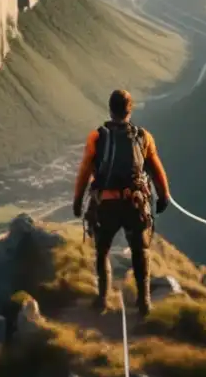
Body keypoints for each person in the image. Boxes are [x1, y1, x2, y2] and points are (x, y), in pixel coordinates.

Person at [73, 89, 171, 317]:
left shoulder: (97, 137)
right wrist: (163, 195)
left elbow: (85, 172)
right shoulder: (143, 137)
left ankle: (102, 299)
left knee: (102, 251)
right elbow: (156, 169)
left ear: (110, 108)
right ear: (130, 109)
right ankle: (144, 301)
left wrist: (78, 201)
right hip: (134, 205)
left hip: (105, 204)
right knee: (140, 250)